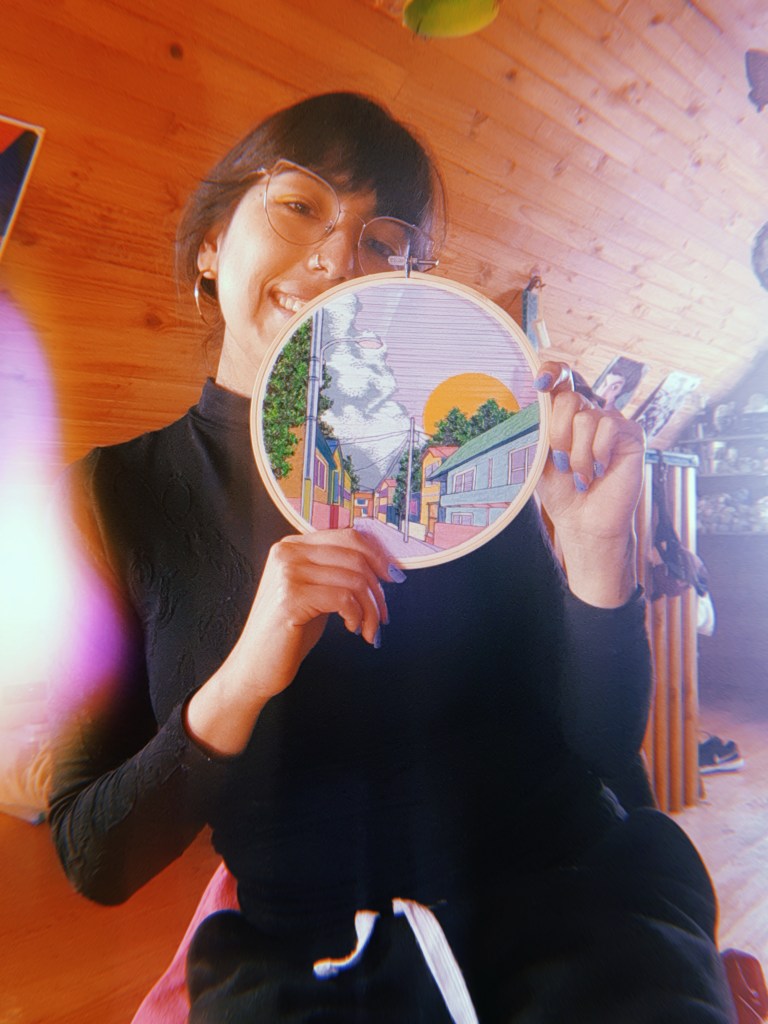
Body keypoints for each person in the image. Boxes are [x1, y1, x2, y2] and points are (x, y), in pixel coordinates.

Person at [47, 92, 735, 1023]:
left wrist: (596, 553)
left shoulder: (464, 458)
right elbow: (96, 857)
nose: (338, 259)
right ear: (211, 243)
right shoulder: (115, 497)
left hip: (568, 899)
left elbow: (603, 742)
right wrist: (242, 679)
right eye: (300, 206)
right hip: (313, 952)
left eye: (383, 241)